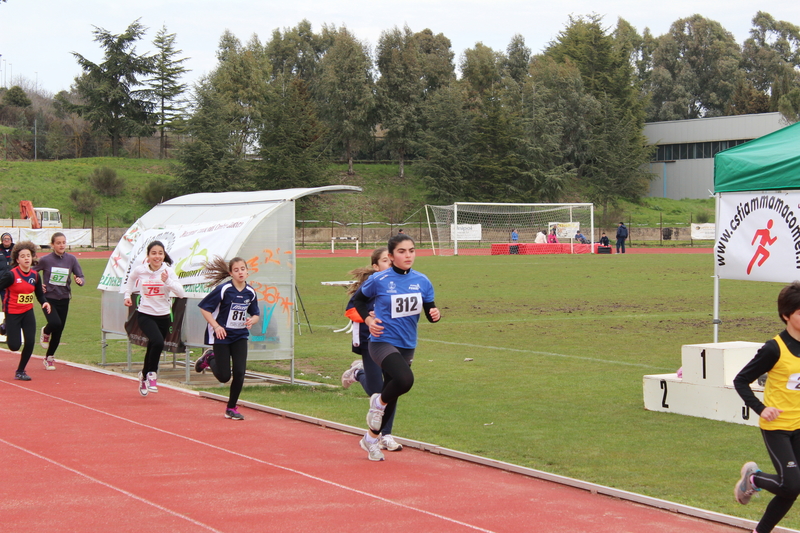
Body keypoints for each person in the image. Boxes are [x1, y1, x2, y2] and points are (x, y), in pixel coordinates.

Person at [351, 235, 440, 461]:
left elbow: (430, 310)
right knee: (404, 380)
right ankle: (377, 402)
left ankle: (371, 439)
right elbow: (357, 302)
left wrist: (435, 314)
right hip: (382, 341)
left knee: (395, 390)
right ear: (391, 257)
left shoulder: (422, 281)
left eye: (411, 250)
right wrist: (369, 322)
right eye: (402, 251)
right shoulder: (379, 279)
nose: (408, 255)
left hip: (407, 343)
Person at [733, 281, 800, 533]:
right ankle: (753, 478)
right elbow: (740, 380)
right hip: (778, 427)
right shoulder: (774, 348)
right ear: (786, 315)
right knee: (791, 485)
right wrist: (761, 408)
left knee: (793, 488)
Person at [341, 247, 403, 452]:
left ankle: (386, 435)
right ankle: (358, 373)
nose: (390, 264)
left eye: (391, 260)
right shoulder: (369, 286)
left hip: (393, 342)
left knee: (392, 389)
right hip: (371, 342)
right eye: (385, 261)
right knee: (378, 392)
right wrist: (371, 316)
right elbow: (350, 310)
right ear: (376, 266)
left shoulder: (398, 284)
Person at [194, 257, 260, 420]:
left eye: (243, 269)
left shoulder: (250, 292)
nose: (240, 272)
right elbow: (204, 308)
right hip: (222, 336)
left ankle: (231, 408)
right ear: (231, 273)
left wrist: (252, 320)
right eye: (236, 270)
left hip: (240, 336)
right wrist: (216, 326)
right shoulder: (224, 289)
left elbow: (256, 313)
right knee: (224, 377)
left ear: (247, 271)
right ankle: (210, 357)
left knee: (239, 372)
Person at [122, 240, 185, 396]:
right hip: (145, 314)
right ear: (148, 256)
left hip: (163, 315)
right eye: (154, 253)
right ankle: (152, 374)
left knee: (153, 346)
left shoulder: (168, 271)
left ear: (164, 255)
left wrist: (167, 281)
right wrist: (127, 295)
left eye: (160, 253)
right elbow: (130, 279)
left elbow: (181, 293)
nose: (157, 256)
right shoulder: (141, 270)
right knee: (157, 341)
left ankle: (143, 376)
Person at [0, 241, 52, 381]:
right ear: (17, 259)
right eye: (22, 256)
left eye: (28, 255)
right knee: (14, 346)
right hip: (12, 313)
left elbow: (39, 294)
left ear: (32, 257)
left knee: (29, 342)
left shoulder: (35, 275)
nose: (26, 258)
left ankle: (20, 371)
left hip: (28, 312)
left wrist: (45, 302)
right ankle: (4, 326)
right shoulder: (11, 275)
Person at [33, 232, 85, 370]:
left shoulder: (71, 259)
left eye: (63, 242)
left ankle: (49, 358)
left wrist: (79, 280)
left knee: (59, 329)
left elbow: (81, 276)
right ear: (52, 245)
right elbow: (31, 273)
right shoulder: (45, 260)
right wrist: (38, 285)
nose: (62, 245)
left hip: (64, 298)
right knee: (55, 323)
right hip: (48, 298)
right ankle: (46, 331)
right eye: (58, 243)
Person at [0, 232, 14, 336]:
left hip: (12, 281)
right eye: (5, 239)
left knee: (8, 304)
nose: (6, 241)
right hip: (0, 280)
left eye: (8, 239)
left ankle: (8, 325)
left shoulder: (16, 250)